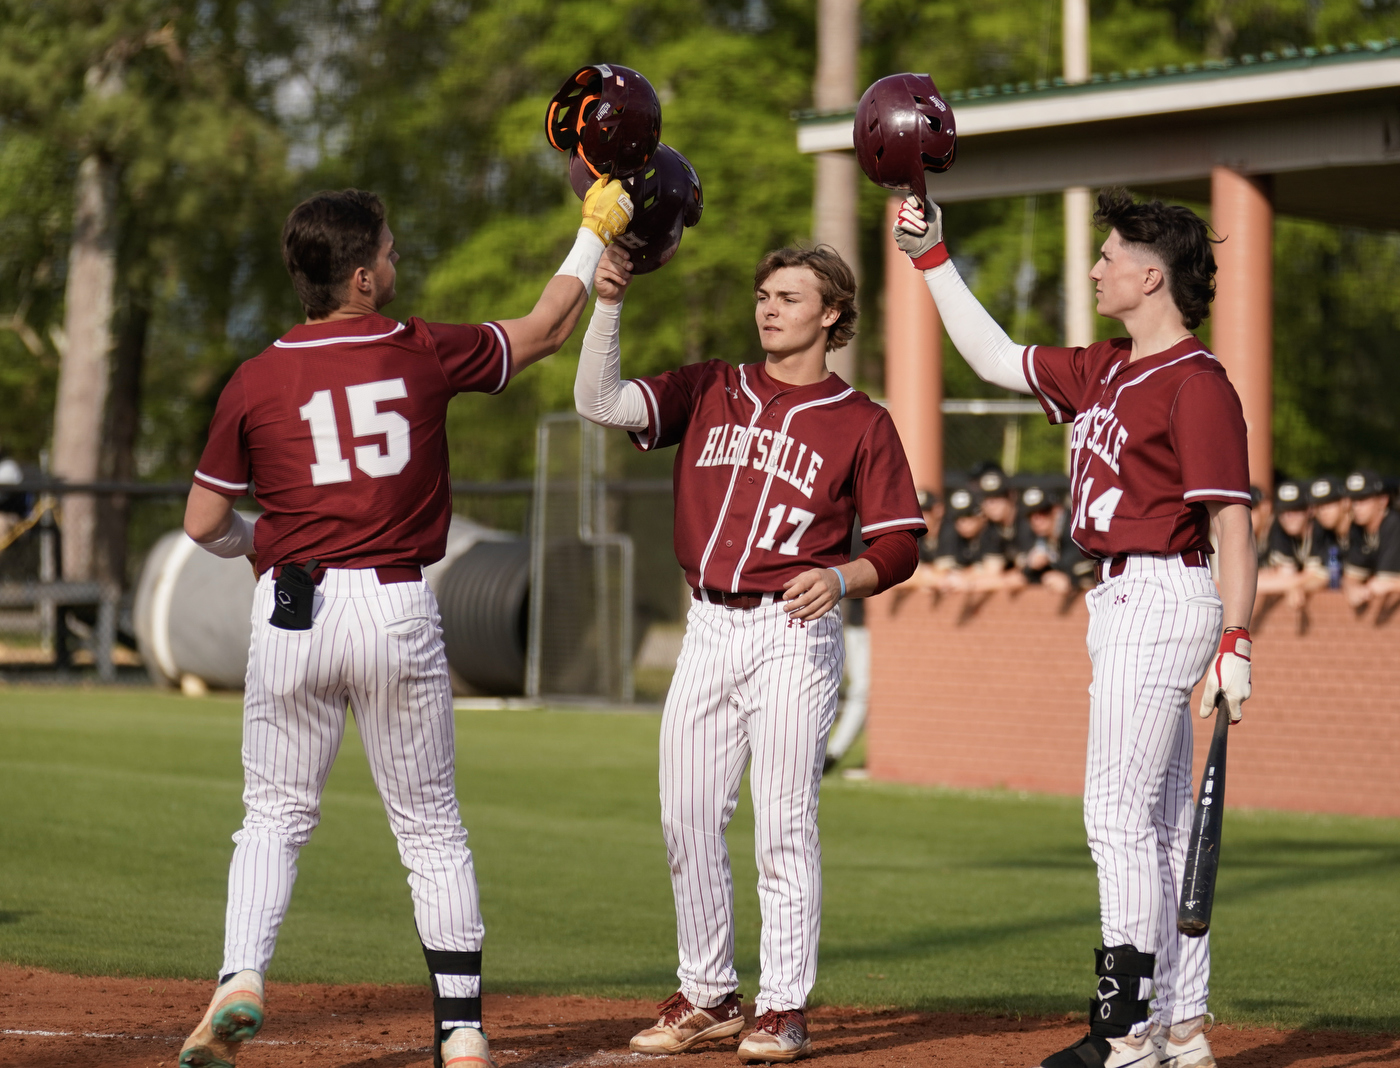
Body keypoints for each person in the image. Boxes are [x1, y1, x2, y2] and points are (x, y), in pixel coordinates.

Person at [176, 180, 634, 1068]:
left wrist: (254, 544)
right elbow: (541, 331)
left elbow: (200, 522)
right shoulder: (417, 349)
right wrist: (589, 233)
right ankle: (460, 1026)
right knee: (430, 830)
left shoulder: (256, 374)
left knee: (272, 818)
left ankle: (240, 978)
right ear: (359, 280)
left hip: (291, 608)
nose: (395, 260)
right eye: (386, 251)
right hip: (393, 602)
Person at [895, 186, 1256, 1068]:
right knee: (1164, 824)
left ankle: (1124, 1029)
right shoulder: (1106, 366)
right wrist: (932, 257)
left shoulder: (1196, 383)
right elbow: (990, 357)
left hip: (1163, 593)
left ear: (1150, 274)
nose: (1095, 268)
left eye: (1108, 257)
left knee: (1115, 817)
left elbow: (1234, 523)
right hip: (1125, 599)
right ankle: (1179, 1026)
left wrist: (1238, 639)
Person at [574, 243, 924, 1062]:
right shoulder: (711, 388)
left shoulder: (860, 421)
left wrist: (843, 578)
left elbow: (902, 542)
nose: (769, 308)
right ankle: (708, 993)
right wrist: (610, 306)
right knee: (686, 815)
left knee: (784, 824)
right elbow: (599, 399)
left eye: (790, 297)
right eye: (764, 293)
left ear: (831, 313)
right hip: (709, 625)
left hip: (792, 633)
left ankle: (783, 1005)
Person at [1255, 480, 1327, 607]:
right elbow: (1286, 574)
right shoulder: (1282, 529)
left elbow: (1317, 577)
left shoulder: (1321, 530)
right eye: (1283, 511)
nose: (1289, 516)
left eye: (1296, 509)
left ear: (1310, 510)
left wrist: (1241, 586)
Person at [1340, 469, 1400, 608]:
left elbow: (1384, 582)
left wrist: (1392, 585)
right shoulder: (1357, 529)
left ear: (1383, 500)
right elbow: (1351, 576)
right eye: (1353, 500)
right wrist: (1352, 589)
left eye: (1363, 499)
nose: (1356, 506)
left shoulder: (1394, 524)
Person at [1308, 476, 1349, 589]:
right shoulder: (1324, 532)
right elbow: (1322, 575)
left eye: (1329, 504)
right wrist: (1299, 587)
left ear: (1345, 502)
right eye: (1318, 506)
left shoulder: (1359, 530)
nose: (1323, 511)